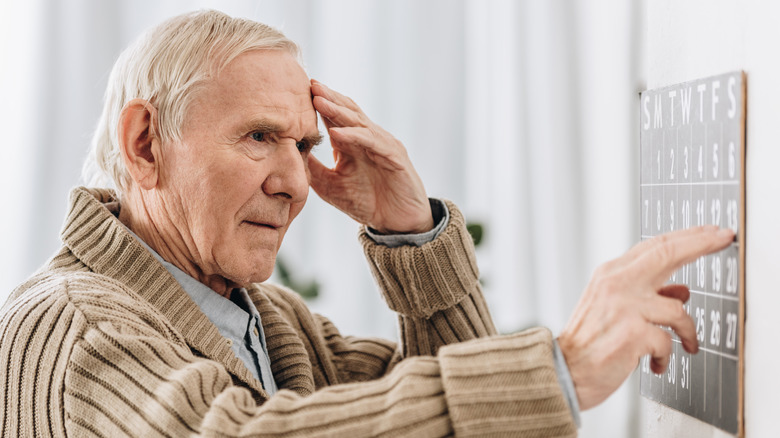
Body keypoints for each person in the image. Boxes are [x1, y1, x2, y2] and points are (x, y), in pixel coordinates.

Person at [0, 10, 733, 437]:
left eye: (305, 144)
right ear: (145, 144)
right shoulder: (68, 326)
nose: (293, 182)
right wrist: (561, 368)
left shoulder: (267, 317)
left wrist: (411, 236)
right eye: (260, 136)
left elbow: (437, 408)